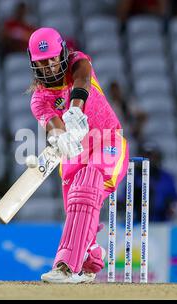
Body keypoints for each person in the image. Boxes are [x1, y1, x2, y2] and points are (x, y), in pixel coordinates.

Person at [27, 27, 129, 283]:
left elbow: (82, 81)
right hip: (74, 156)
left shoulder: (78, 61)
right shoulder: (39, 99)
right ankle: (91, 259)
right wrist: (60, 136)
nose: (49, 66)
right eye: (42, 62)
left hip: (107, 140)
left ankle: (64, 267)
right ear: (33, 64)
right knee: (80, 218)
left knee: (88, 185)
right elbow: (52, 124)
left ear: (62, 52)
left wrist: (75, 109)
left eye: (52, 58)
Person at [136, 143, 177, 222]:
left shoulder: (167, 178)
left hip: (162, 222)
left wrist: (171, 208)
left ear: (159, 158)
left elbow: (175, 200)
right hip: (137, 222)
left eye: (153, 156)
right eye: (146, 156)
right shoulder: (133, 177)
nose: (149, 160)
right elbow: (125, 199)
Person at [108, 81, 147, 146]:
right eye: (113, 91)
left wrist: (138, 128)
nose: (115, 93)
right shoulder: (109, 106)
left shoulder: (127, 104)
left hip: (130, 136)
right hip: (118, 136)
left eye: (117, 90)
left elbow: (142, 115)